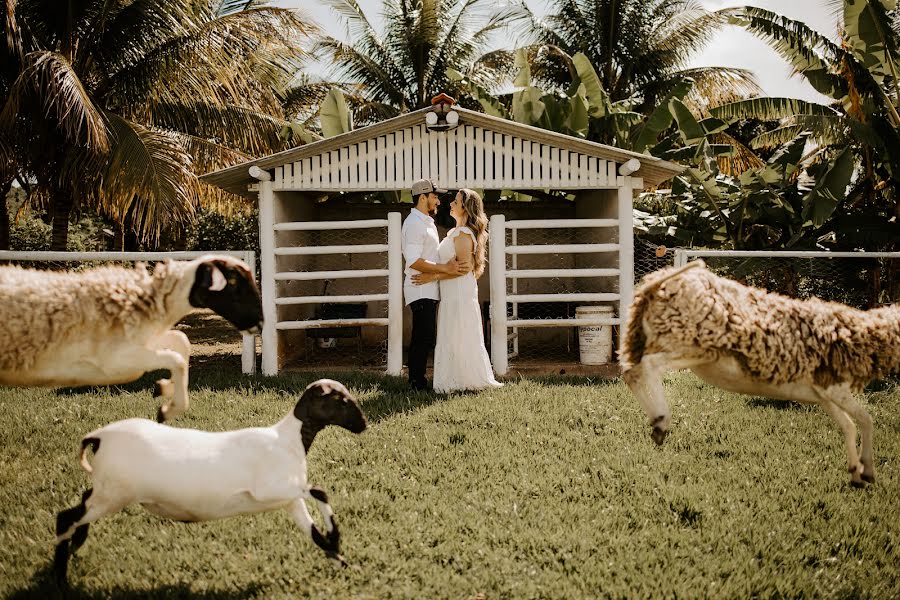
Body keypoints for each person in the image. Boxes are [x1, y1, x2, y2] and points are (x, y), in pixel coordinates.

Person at [412, 188, 503, 393]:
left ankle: (462, 379)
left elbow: (463, 269)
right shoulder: (455, 231)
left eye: (456, 201)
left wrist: (431, 276)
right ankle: (455, 378)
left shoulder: (463, 234)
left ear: (465, 208)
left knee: (459, 334)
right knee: (453, 334)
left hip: (460, 292)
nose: (451, 204)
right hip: (451, 292)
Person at [401, 179, 470, 391]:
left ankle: (418, 381)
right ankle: (416, 383)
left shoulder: (426, 221)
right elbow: (413, 261)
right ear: (423, 198)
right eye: (434, 196)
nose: (438, 200)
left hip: (428, 287)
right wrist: (445, 269)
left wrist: (440, 273)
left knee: (426, 335)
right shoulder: (413, 224)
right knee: (423, 336)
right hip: (419, 287)